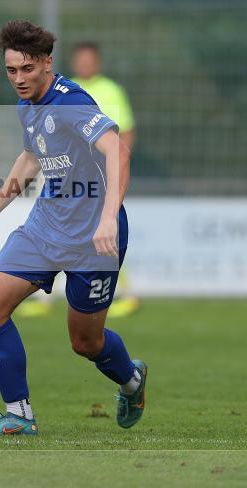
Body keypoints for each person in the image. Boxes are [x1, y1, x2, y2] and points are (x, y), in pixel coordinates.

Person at [0, 20, 146, 437]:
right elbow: (31, 157)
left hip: (93, 237)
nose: (19, 79)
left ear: (48, 63)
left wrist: (105, 218)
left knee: (85, 343)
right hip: (44, 228)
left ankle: (132, 381)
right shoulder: (28, 105)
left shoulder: (70, 102)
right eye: (11, 71)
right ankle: (19, 415)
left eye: (27, 69)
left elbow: (118, 151)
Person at [70, 41, 139, 318]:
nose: (85, 64)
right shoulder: (67, 89)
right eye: (80, 59)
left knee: (106, 230)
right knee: (62, 230)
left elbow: (126, 132)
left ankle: (127, 292)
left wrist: (118, 165)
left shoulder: (111, 90)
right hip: (68, 173)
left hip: (99, 175)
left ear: (97, 61)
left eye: (90, 59)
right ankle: (44, 295)